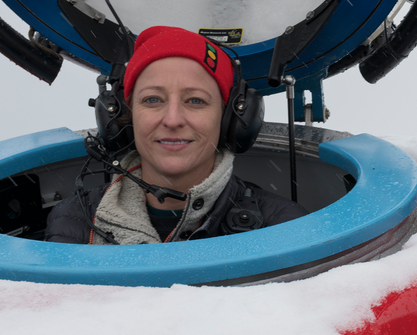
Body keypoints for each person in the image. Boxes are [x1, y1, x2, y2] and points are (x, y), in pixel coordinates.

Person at [45, 26, 306, 244]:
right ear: (125, 114)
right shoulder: (73, 222)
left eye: (195, 101)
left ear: (230, 120)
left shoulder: (281, 225)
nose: (172, 120)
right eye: (152, 99)